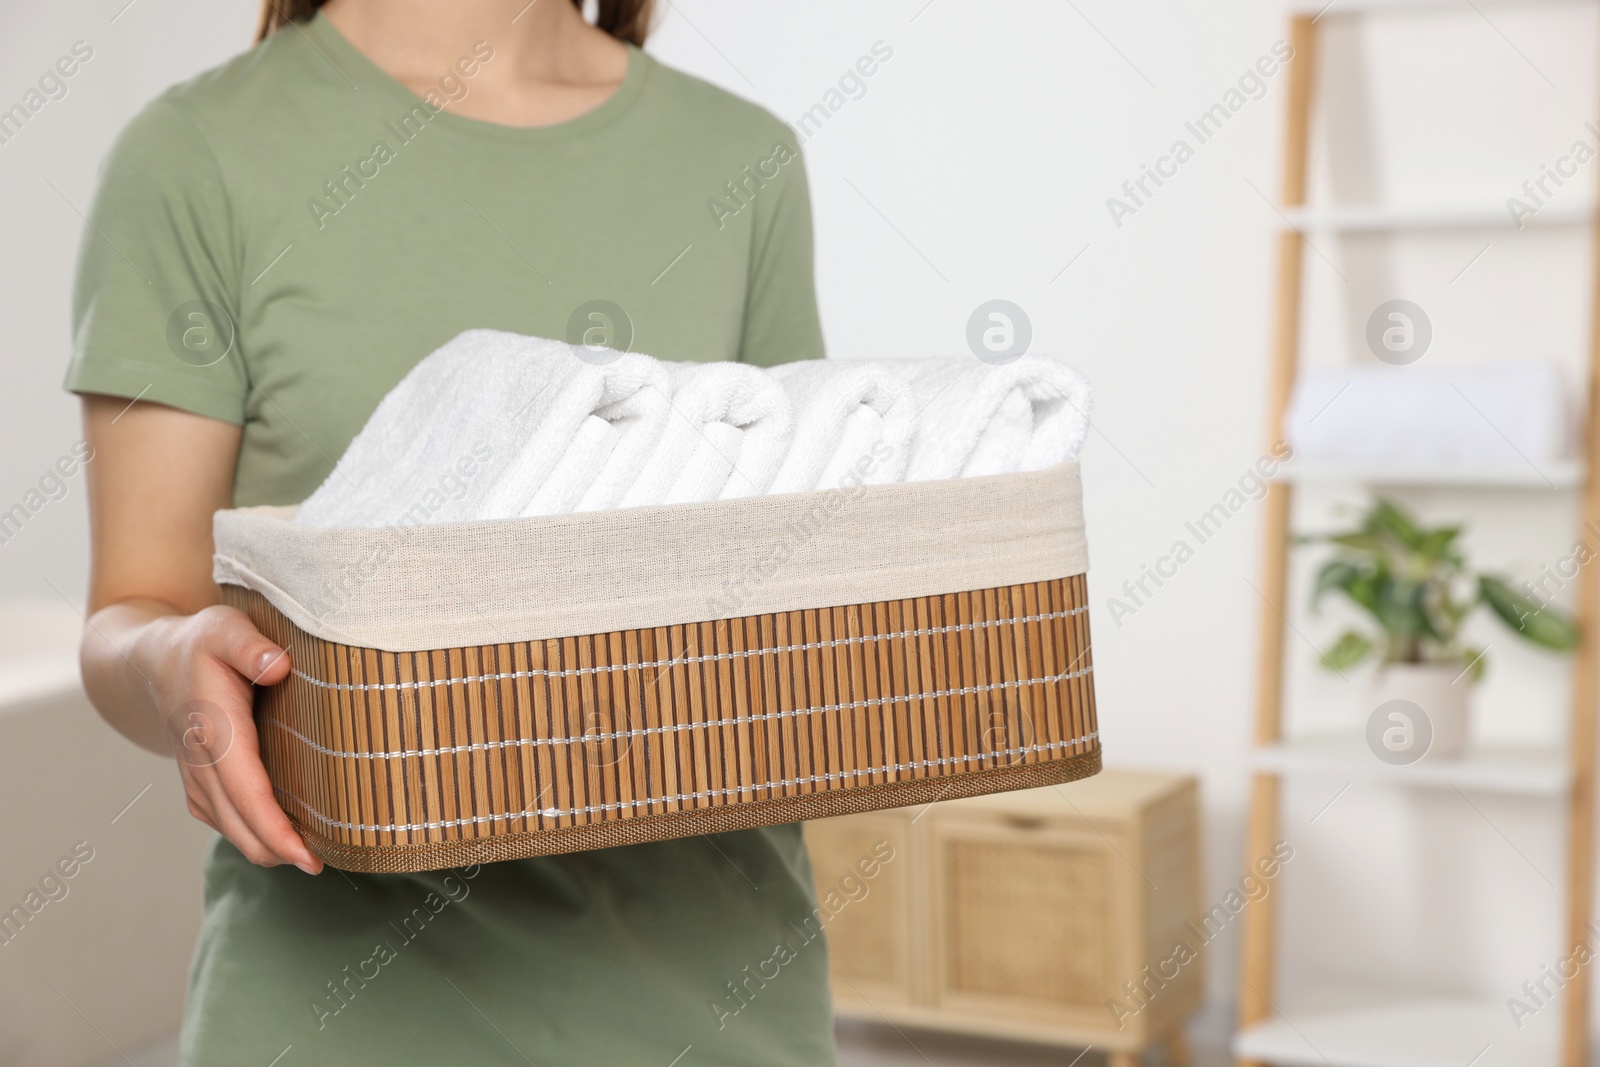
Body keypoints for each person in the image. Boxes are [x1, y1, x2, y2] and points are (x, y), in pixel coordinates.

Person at [65, 1, 833, 1063]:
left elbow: (799, 557)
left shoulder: (742, 159)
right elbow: (131, 610)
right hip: (335, 1019)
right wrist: (174, 659)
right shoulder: (194, 158)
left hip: (713, 1014)